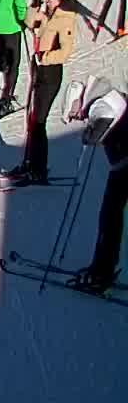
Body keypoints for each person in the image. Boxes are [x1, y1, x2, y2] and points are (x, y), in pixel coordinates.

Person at [4, 0, 78, 184]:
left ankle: (39, 169)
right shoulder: (48, 12)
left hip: (51, 74)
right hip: (39, 72)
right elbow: (29, 20)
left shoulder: (66, 19)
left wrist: (45, 58)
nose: (48, 2)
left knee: (39, 122)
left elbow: (66, 51)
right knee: (32, 119)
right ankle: (29, 163)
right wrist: (34, 5)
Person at [67, 82, 128, 294]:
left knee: (109, 217)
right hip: (122, 166)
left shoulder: (98, 105)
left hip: (124, 166)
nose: (77, 117)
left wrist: (89, 136)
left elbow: (104, 119)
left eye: (74, 113)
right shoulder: (103, 96)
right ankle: (102, 268)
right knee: (111, 216)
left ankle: (101, 274)